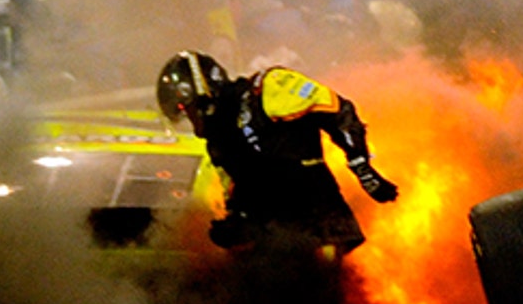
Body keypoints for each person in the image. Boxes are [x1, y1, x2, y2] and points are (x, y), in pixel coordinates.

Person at [156, 50, 399, 260]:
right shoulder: (218, 144)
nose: (194, 125)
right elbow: (237, 193)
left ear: (203, 93)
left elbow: (338, 111)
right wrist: (235, 224)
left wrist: (362, 169)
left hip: (321, 223)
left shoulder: (267, 88)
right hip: (275, 240)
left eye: (186, 112)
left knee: (325, 296)